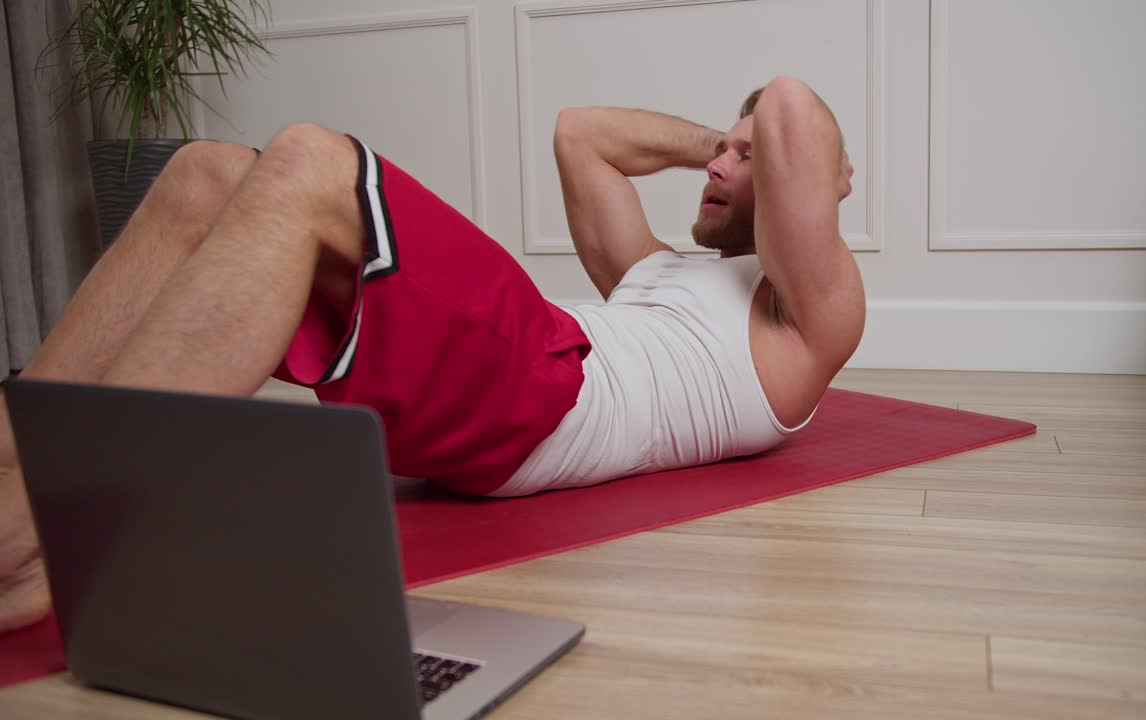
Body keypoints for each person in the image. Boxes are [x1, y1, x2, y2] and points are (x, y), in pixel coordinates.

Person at [0, 75, 865, 632]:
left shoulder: (804, 323)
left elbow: (791, 104)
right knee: (202, 174)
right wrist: (720, 146)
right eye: (723, 147)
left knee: (309, 159)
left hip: (546, 391)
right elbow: (581, 132)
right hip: (509, 385)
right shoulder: (652, 273)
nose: (719, 164)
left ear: (809, 185)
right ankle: (10, 461)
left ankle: (53, 526)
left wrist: (804, 169)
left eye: (749, 158)